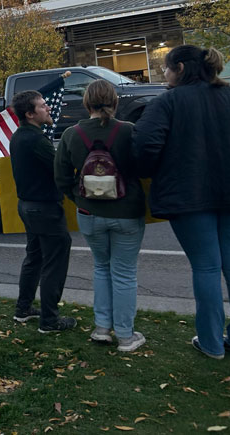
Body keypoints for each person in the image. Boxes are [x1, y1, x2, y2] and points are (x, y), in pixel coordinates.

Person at [133, 45, 230, 360]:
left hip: (188, 196)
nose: (163, 74)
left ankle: (211, 343)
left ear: (180, 68)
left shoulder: (167, 102)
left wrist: (151, 172)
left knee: (206, 267)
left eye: (165, 68)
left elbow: (143, 146)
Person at [54, 80, 147, 351]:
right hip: (127, 212)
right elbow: (145, 165)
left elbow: (60, 177)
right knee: (124, 273)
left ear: (86, 102)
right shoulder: (129, 131)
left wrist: (80, 198)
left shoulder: (72, 134)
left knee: (101, 268)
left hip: (89, 213)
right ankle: (126, 336)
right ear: (115, 102)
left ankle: (102, 328)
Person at [9, 89, 75, 333]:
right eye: (42, 106)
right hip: (44, 209)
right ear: (29, 114)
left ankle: (23, 308)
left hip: (27, 206)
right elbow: (59, 167)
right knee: (54, 261)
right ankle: (49, 320)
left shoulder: (19, 136)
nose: (48, 108)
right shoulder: (36, 140)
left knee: (35, 257)